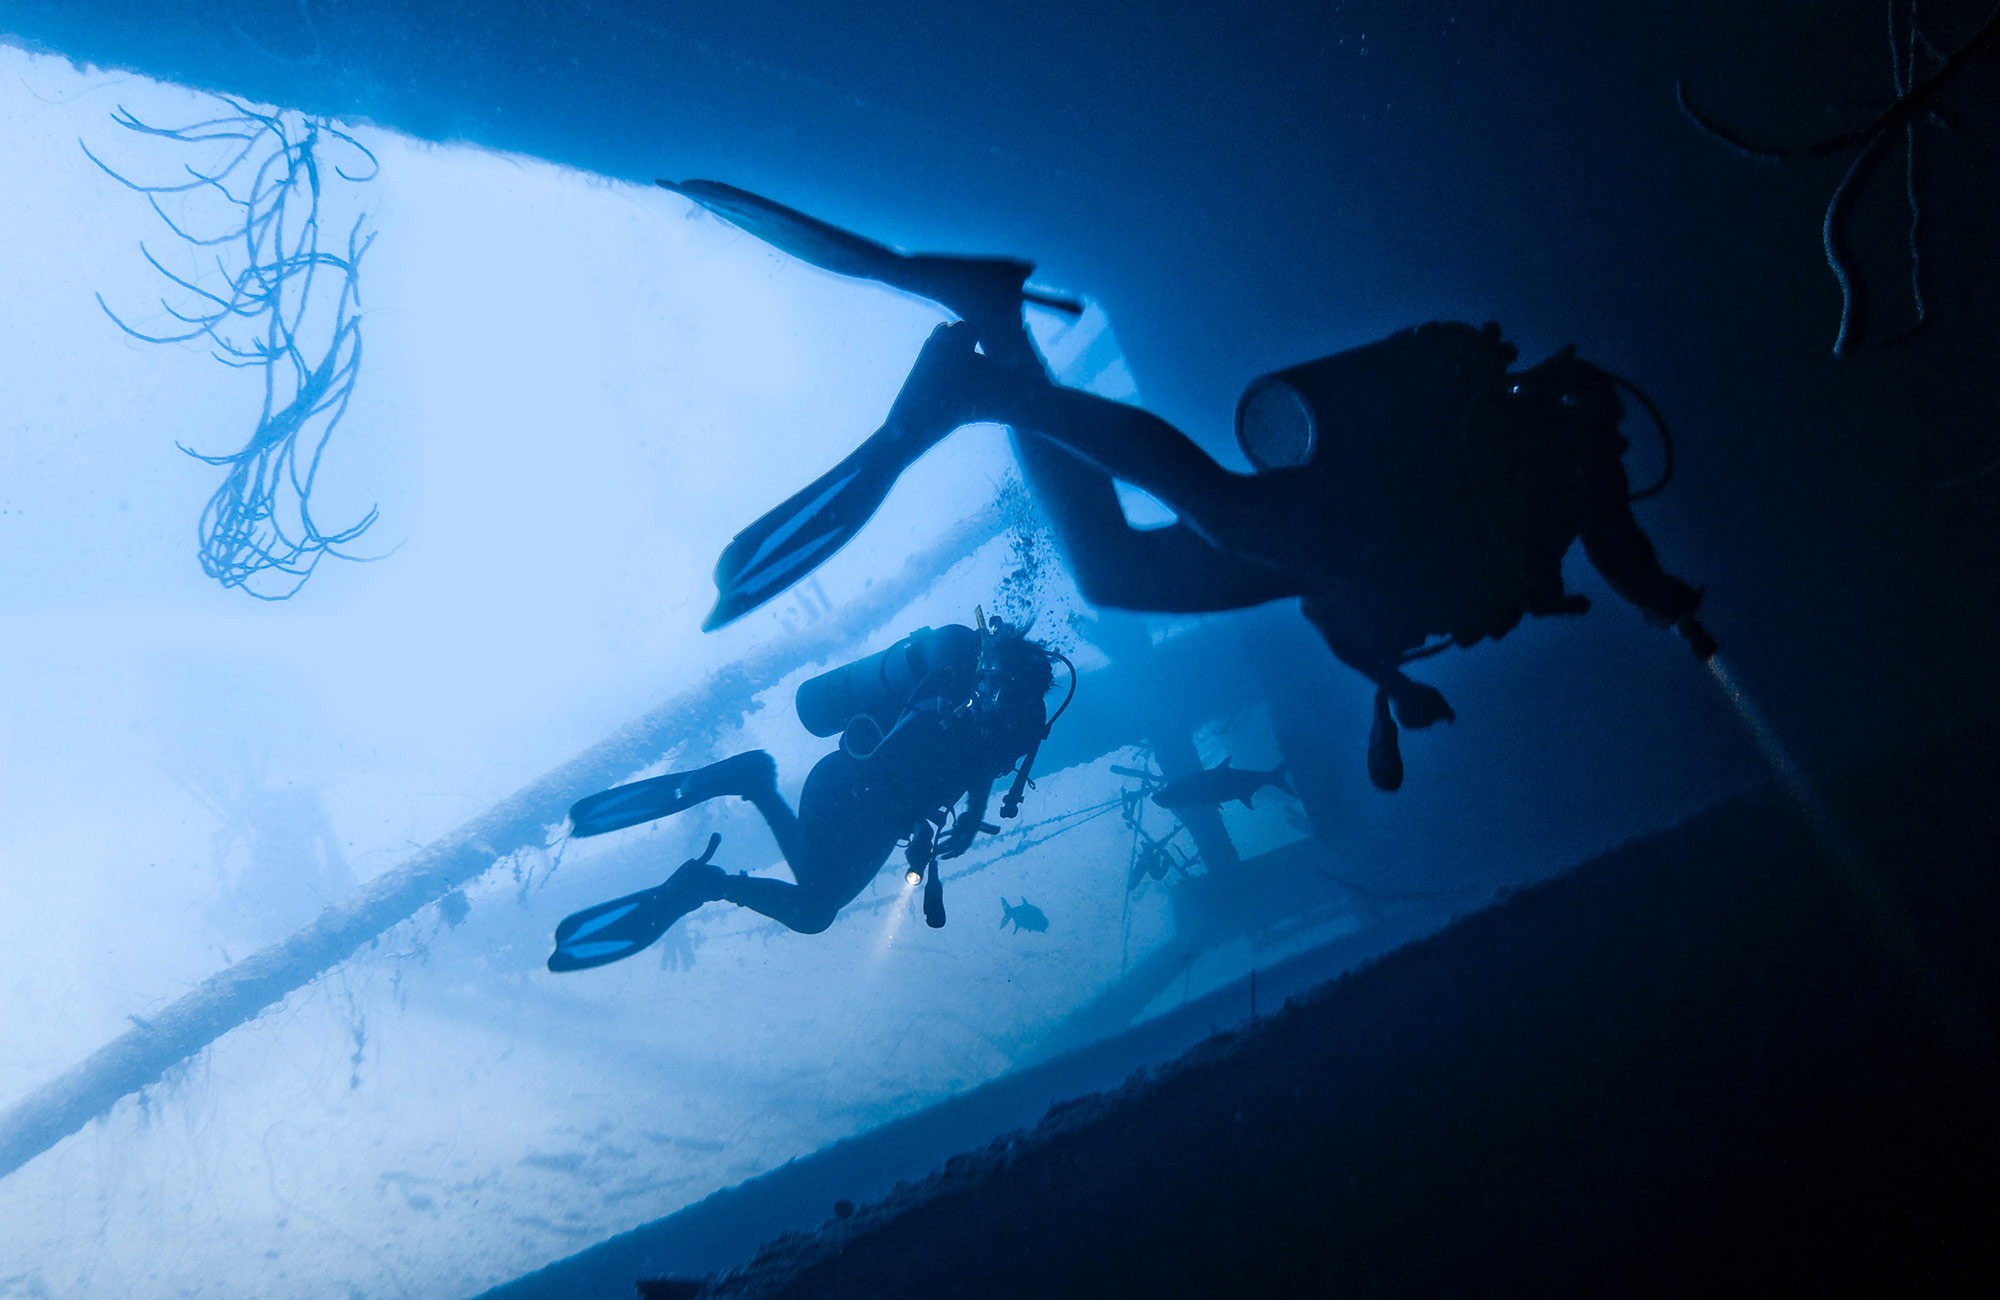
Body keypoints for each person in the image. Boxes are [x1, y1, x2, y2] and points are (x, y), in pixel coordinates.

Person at [666, 180, 1716, 791]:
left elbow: (1340, 611)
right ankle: (988, 391)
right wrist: (1669, 604)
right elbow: (1622, 547)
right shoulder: (1575, 463)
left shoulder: (1560, 482)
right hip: (1369, 508)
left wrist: (1392, 688)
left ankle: (994, 322)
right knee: (1222, 505)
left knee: (1112, 572)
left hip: (1343, 554)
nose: (1619, 446)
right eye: (1616, 434)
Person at [548, 613, 1067, 971]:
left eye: (1009, 705)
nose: (995, 707)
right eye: (997, 693)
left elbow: (973, 768)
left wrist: (969, 817)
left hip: (875, 809)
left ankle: (740, 816)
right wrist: (936, 821)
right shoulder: (953, 691)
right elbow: (904, 766)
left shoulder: (1008, 725)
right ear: (994, 676)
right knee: (815, 906)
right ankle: (742, 812)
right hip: (846, 787)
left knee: (815, 907)